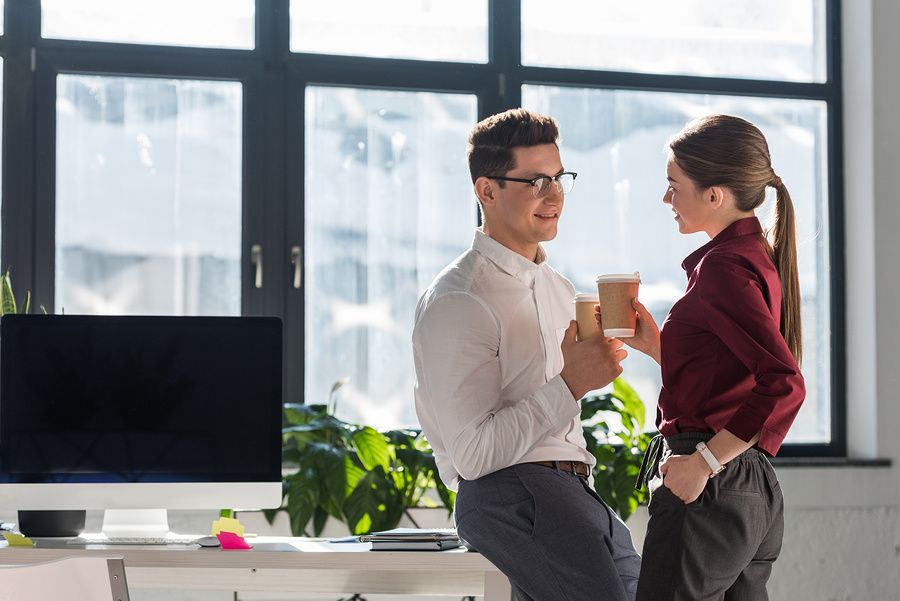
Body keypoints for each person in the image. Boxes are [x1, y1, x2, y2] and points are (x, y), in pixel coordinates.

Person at [412, 108, 641, 601]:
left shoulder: (561, 289)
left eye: (560, 179)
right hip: (512, 494)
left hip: (574, 492)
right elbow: (473, 458)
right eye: (536, 181)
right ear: (486, 191)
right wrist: (571, 384)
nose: (555, 195)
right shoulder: (460, 299)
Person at [618, 114, 806, 601]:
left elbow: (784, 383)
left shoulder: (723, 269)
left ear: (715, 195)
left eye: (673, 186)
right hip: (749, 486)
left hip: (714, 483)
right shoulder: (752, 257)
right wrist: (659, 347)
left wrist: (702, 462)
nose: (666, 199)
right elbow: (730, 378)